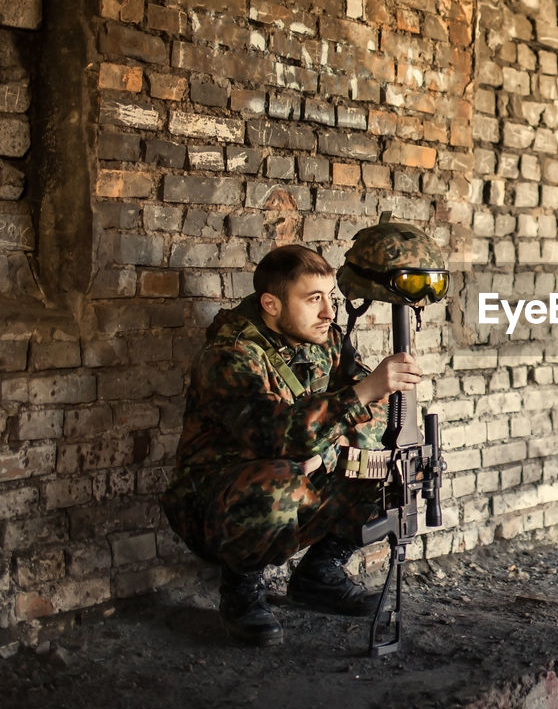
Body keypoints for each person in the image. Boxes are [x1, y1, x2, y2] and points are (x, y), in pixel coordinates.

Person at [162, 244, 423, 647]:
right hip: (215, 503)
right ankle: (241, 591)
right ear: (271, 303)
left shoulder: (327, 341)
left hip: (300, 482)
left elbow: (379, 412)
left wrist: (331, 447)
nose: (328, 312)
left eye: (331, 298)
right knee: (279, 476)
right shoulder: (232, 355)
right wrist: (361, 394)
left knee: (391, 462)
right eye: (313, 299)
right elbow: (274, 436)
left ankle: (320, 574)